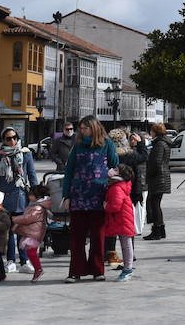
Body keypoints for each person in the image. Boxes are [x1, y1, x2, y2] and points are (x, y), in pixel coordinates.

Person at [62, 116, 119, 281]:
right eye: (80, 128)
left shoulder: (106, 144)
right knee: (77, 237)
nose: (82, 131)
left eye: (85, 128)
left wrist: (111, 189)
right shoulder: (78, 146)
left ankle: (97, 270)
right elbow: (69, 171)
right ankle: (76, 271)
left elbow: (115, 165)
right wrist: (67, 195)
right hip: (78, 195)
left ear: (93, 128)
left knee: (97, 236)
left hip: (98, 195)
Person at [0, 127, 37, 272]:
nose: (12, 141)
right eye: (8, 138)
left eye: (14, 137)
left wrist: (36, 195)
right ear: (3, 140)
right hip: (4, 197)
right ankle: (11, 260)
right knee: (10, 230)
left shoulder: (25, 154)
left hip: (21, 197)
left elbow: (32, 175)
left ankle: (24, 261)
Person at [103, 164, 138, 281]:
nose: (112, 170)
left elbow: (115, 206)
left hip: (122, 219)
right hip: (123, 219)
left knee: (126, 245)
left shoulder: (117, 187)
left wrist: (106, 205)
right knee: (126, 244)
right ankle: (128, 267)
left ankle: (128, 269)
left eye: (116, 170)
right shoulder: (120, 185)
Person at [11, 183, 51, 282]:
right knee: (30, 252)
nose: (29, 196)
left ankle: (38, 269)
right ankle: (38, 269)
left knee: (31, 252)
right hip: (32, 231)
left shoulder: (37, 208)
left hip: (35, 232)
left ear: (37, 196)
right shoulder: (34, 205)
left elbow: (28, 218)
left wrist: (14, 219)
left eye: (31, 195)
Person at [143, 123, 171, 241]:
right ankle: (160, 229)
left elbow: (156, 162)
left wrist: (149, 173)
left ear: (156, 132)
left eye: (152, 131)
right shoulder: (162, 142)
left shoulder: (159, 144)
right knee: (155, 204)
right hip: (161, 177)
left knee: (154, 205)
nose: (150, 133)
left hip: (158, 178)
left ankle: (157, 231)